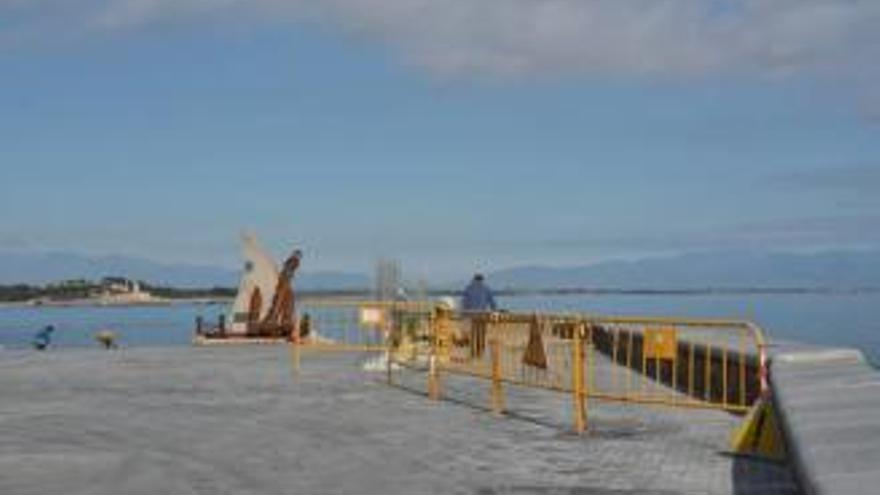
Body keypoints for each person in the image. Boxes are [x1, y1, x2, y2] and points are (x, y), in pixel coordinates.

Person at [461, 274, 497, 359]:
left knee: (473, 334)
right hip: (482, 315)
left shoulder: (468, 288)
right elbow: (492, 303)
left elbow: (464, 303)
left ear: (474, 279)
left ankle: (473, 353)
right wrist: (494, 312)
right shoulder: (486, 288)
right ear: (482, 280)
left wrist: (463, 315)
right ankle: (480, 353)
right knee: (481, 334)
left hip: (472, 314)